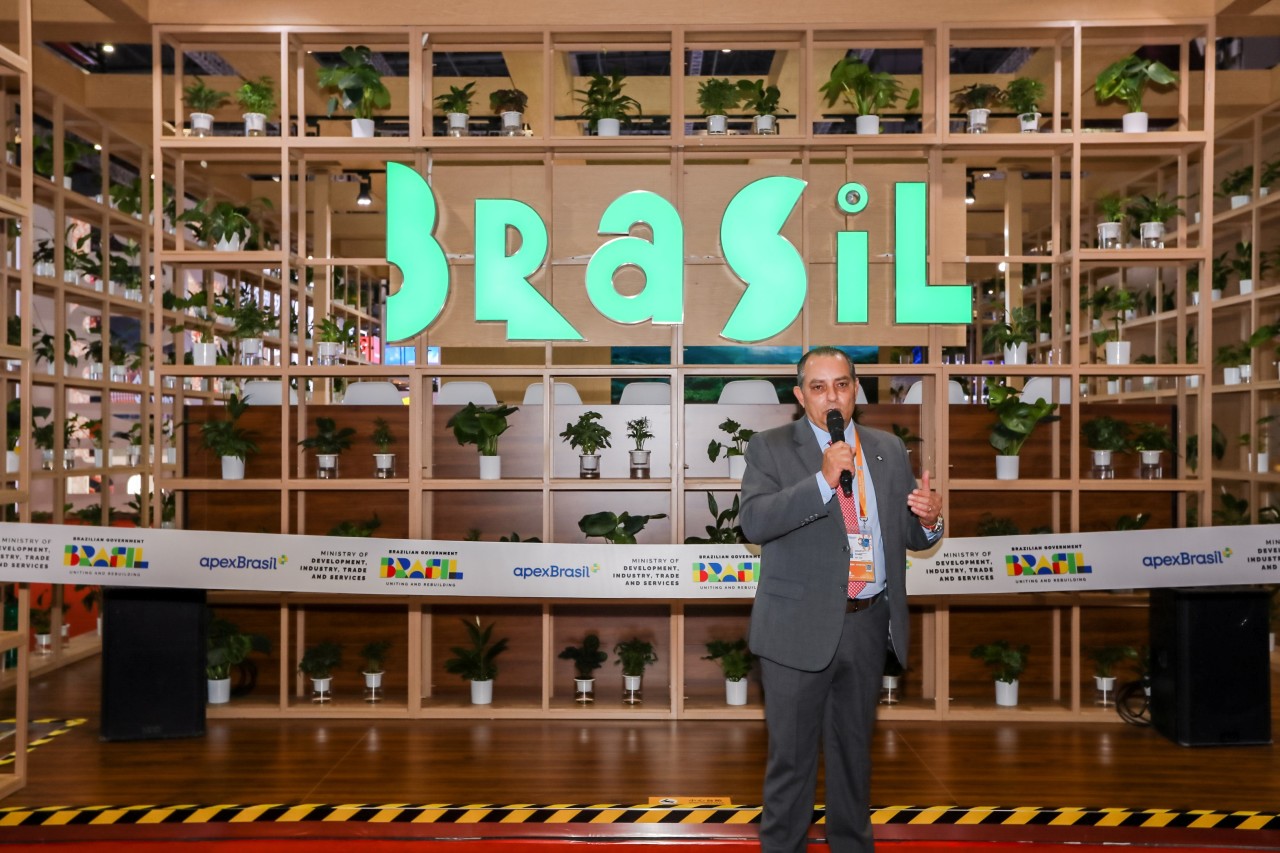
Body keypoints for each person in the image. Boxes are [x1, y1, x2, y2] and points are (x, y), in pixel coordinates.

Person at [740, 346, 943, 853]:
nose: (832, 397)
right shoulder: (770, 448)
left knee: (854, 757)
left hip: (867, 622)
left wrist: (928, 519)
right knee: (792, 762)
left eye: (841, 385)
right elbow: (755, 522)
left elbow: (905, 535)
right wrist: (822, 481)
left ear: (856, 390)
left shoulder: (887, 448)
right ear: (800, 395)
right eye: (819, 387)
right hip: (796, 629)